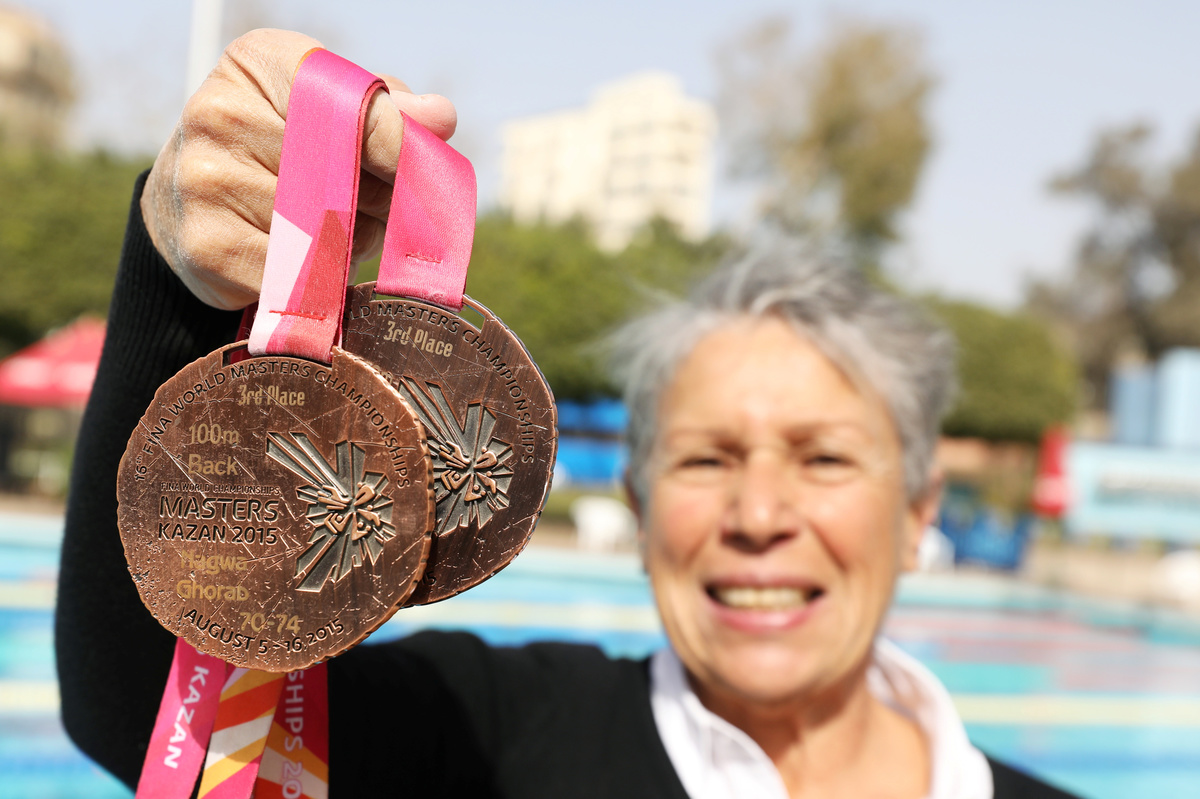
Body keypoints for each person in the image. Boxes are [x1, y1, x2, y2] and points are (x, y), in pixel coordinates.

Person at [55, 29, 1079, 799]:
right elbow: (143, 708)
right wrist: (184, 287)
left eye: (824, 459)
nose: (759, 513)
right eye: (705, 459)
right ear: (638, 505)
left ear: (918, 509)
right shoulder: (493, 735)